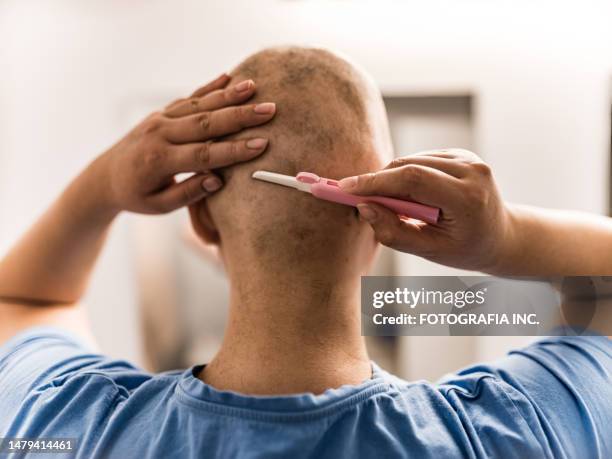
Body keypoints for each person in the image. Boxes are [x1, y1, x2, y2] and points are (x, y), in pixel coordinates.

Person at [0, 46, 610, 459]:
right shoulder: (513, 430)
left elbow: (22, 296)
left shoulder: (68, 425)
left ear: (200, 221)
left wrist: (102, 186)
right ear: (387, 218)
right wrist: (504, 237)